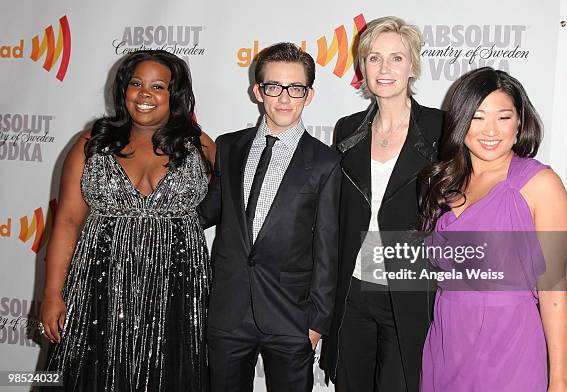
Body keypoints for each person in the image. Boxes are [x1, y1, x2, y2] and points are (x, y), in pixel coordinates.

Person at [40, 49, 215, 391]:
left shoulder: (201, 147)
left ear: (174, 94)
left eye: (158, 86)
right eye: (136, 83)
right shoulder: (91, 144)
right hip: (97, 286)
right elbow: (68, 221)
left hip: (177, 291)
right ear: (123, 90)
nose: (145, 94)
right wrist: (51, 294)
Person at [198, 42, 341, 392]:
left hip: (291, 317)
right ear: (258, 91)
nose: (284, 98)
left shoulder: (325, 163)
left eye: (296, 88)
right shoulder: (229, 146)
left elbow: (327, 248)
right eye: (274, 87)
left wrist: (317, 321)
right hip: (227, 312)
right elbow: (205, 213)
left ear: (309, 95)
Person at [419, 67, 567, 392]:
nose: (491, 130)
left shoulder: (540, 185)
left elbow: (553, 290)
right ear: (461, 122)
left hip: (509, 343)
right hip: (447, 340)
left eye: (503, 117)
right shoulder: (446, 183)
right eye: (478, 117)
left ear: (519, 123)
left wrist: (560, 379)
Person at [320, 16, 443, 392]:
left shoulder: (441, 128)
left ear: (413, 66)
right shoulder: (347, 129)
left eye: (396, 58)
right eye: (374, 58)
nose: (385, 68)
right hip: (353, 289)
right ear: (362, 68)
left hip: (409, 290)